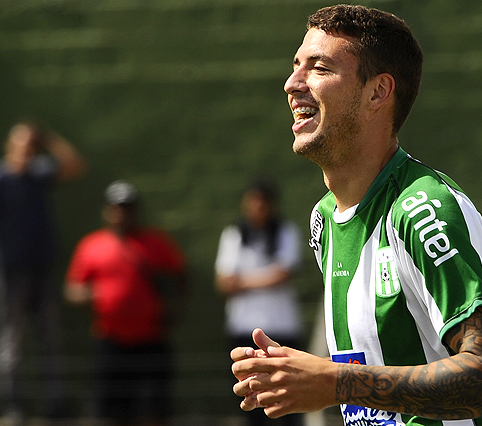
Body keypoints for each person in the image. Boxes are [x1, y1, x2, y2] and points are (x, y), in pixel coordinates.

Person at [230, 5, 482, 426]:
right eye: (295, 65)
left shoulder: (423, 209)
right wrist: (311, 379)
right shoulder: (324, 220)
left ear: (377, 93)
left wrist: (336, 382)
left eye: (319, 68)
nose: (292, 83)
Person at [64, 180, 188, 426]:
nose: (122, 214)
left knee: (154, 410)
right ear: (107, 211)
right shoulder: (91, 245)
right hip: (111, 341)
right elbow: (72, 290)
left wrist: (172, 307)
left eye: (127, 208)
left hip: (151, 340)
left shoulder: (155, 242)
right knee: (111, 412)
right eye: (117, 208)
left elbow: (180, 275)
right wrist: (92, 294)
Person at [0, 120, 86, 423]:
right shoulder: (2, 178)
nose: (26, 149)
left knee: (51, 341)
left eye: (31, 144)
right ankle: (15, 405)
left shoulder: (40, 173)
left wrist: (47, 138)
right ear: (10, 145)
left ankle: (54, 405)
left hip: (42, 269)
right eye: (21, 143)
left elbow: (74, 164)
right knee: (12, 342)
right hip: (11, 272)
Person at [215, 178, 303, 426]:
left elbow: (283, 274)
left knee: (288, 399)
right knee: (251, 400)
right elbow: (224, 282)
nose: (257, 207)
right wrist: (267, 278)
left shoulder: (286, 232)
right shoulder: (233, 234)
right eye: (252, 201)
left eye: (262, 202)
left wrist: (242, 282)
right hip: (242, 328)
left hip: (282, 328)